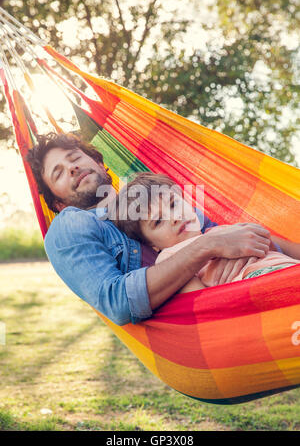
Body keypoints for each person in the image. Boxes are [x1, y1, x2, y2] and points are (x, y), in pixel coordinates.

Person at [26, 132, 283, 326]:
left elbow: (228, 235)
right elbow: (117, 302)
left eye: (74, 158)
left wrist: (257, 243)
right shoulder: (71, 225)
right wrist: (207, 247)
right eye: (58, 174)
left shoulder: (151, 194)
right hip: (226, 317)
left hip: (263, 277)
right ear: (58, 203)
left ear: (97, 160)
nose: (72, 168)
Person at [111, 172, 300, 294]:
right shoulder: (170, 260)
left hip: (290, 268)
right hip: (266, 287)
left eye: (173, 204)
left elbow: (276, 246)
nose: (174, 217)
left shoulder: (221, 230)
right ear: (152, 245)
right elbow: (207, 305)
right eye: (158, 221)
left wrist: (260, 243)